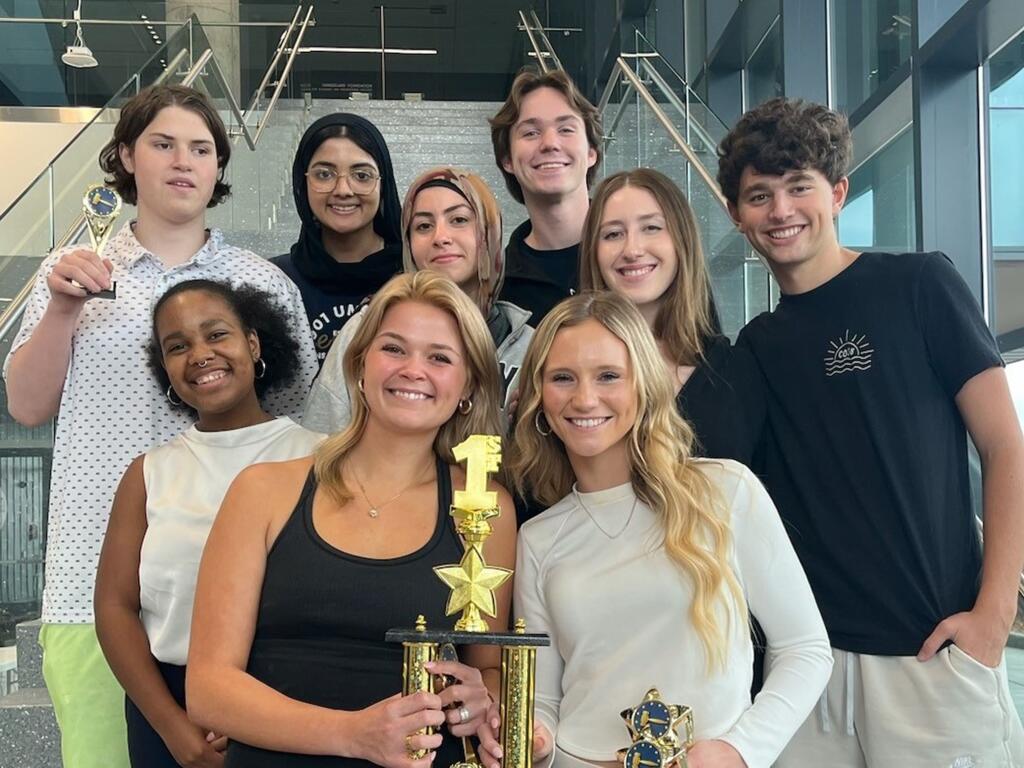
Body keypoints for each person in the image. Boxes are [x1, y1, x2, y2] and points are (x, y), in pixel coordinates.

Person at [3, 84, 316, 768]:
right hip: (94, 587)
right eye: (163, 144)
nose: (184, 161)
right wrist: (59, 309)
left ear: (218, 168)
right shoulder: (76, 274)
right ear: (125, 157)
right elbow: (26, 407)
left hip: (244, 591)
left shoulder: (264, 285)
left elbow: (289, 413)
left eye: (202, 149)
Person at [719, 97, 1024, 765]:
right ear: (737, 217)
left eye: (798, 187)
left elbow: (1006, 446)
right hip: (811, 668)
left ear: (837, 192)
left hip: (933, 657)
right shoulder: (757, 346)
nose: (781, 211)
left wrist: (995, 615)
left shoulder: (919, 286)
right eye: (759, 196)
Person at [477, 292, 830, 768]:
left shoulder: (725, 491)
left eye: (608, 376)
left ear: (642, 383)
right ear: (540, 396)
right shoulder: (538, 537)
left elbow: (805, 649)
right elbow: (546, 700)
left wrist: (741, 751)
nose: (584, 398)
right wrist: (533, 740)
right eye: (563, 378)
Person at [185, 271, 516, 767]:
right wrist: (352, 734)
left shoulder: (487, 507)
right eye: (394, 349)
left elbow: (487, 667)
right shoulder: (263, 491)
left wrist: (481, 698)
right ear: (360, 364)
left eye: (440, 357)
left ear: (467, 385)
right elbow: (209, 690)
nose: (413, 370)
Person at [95, 280, 324, 768]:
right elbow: (115, 608)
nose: (199, 354)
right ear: (165, 369)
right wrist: (177, 731)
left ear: (253, 344)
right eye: (177, 346)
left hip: (292, 702)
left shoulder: (322, 458)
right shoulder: (148, 473)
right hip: (171, 718)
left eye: (216, 334)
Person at [303, 167, 533, 433]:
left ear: (489, 231)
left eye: (459, 220)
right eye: (423, 225)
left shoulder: (529, 346)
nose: (441, 238)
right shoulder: (368, 327)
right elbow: (319, 441)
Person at [579, 168, 765, 465]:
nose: (632, 250)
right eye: (613, 234)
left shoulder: (736, 371)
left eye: (651, 228)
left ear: (682, 240)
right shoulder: (570, 375)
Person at [272, 113, 403, 363]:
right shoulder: (274, 281)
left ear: (383, 184)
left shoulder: (411, 276)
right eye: (324, 174)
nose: (343, 190)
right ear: (303, 182)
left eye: (362, 175)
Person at [489, 68, 602, 325]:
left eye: (566, 129)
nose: (550, 143)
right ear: (507, 160)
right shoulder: (498, 291)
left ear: (591, 152)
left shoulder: (639, 256)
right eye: (530, 133)